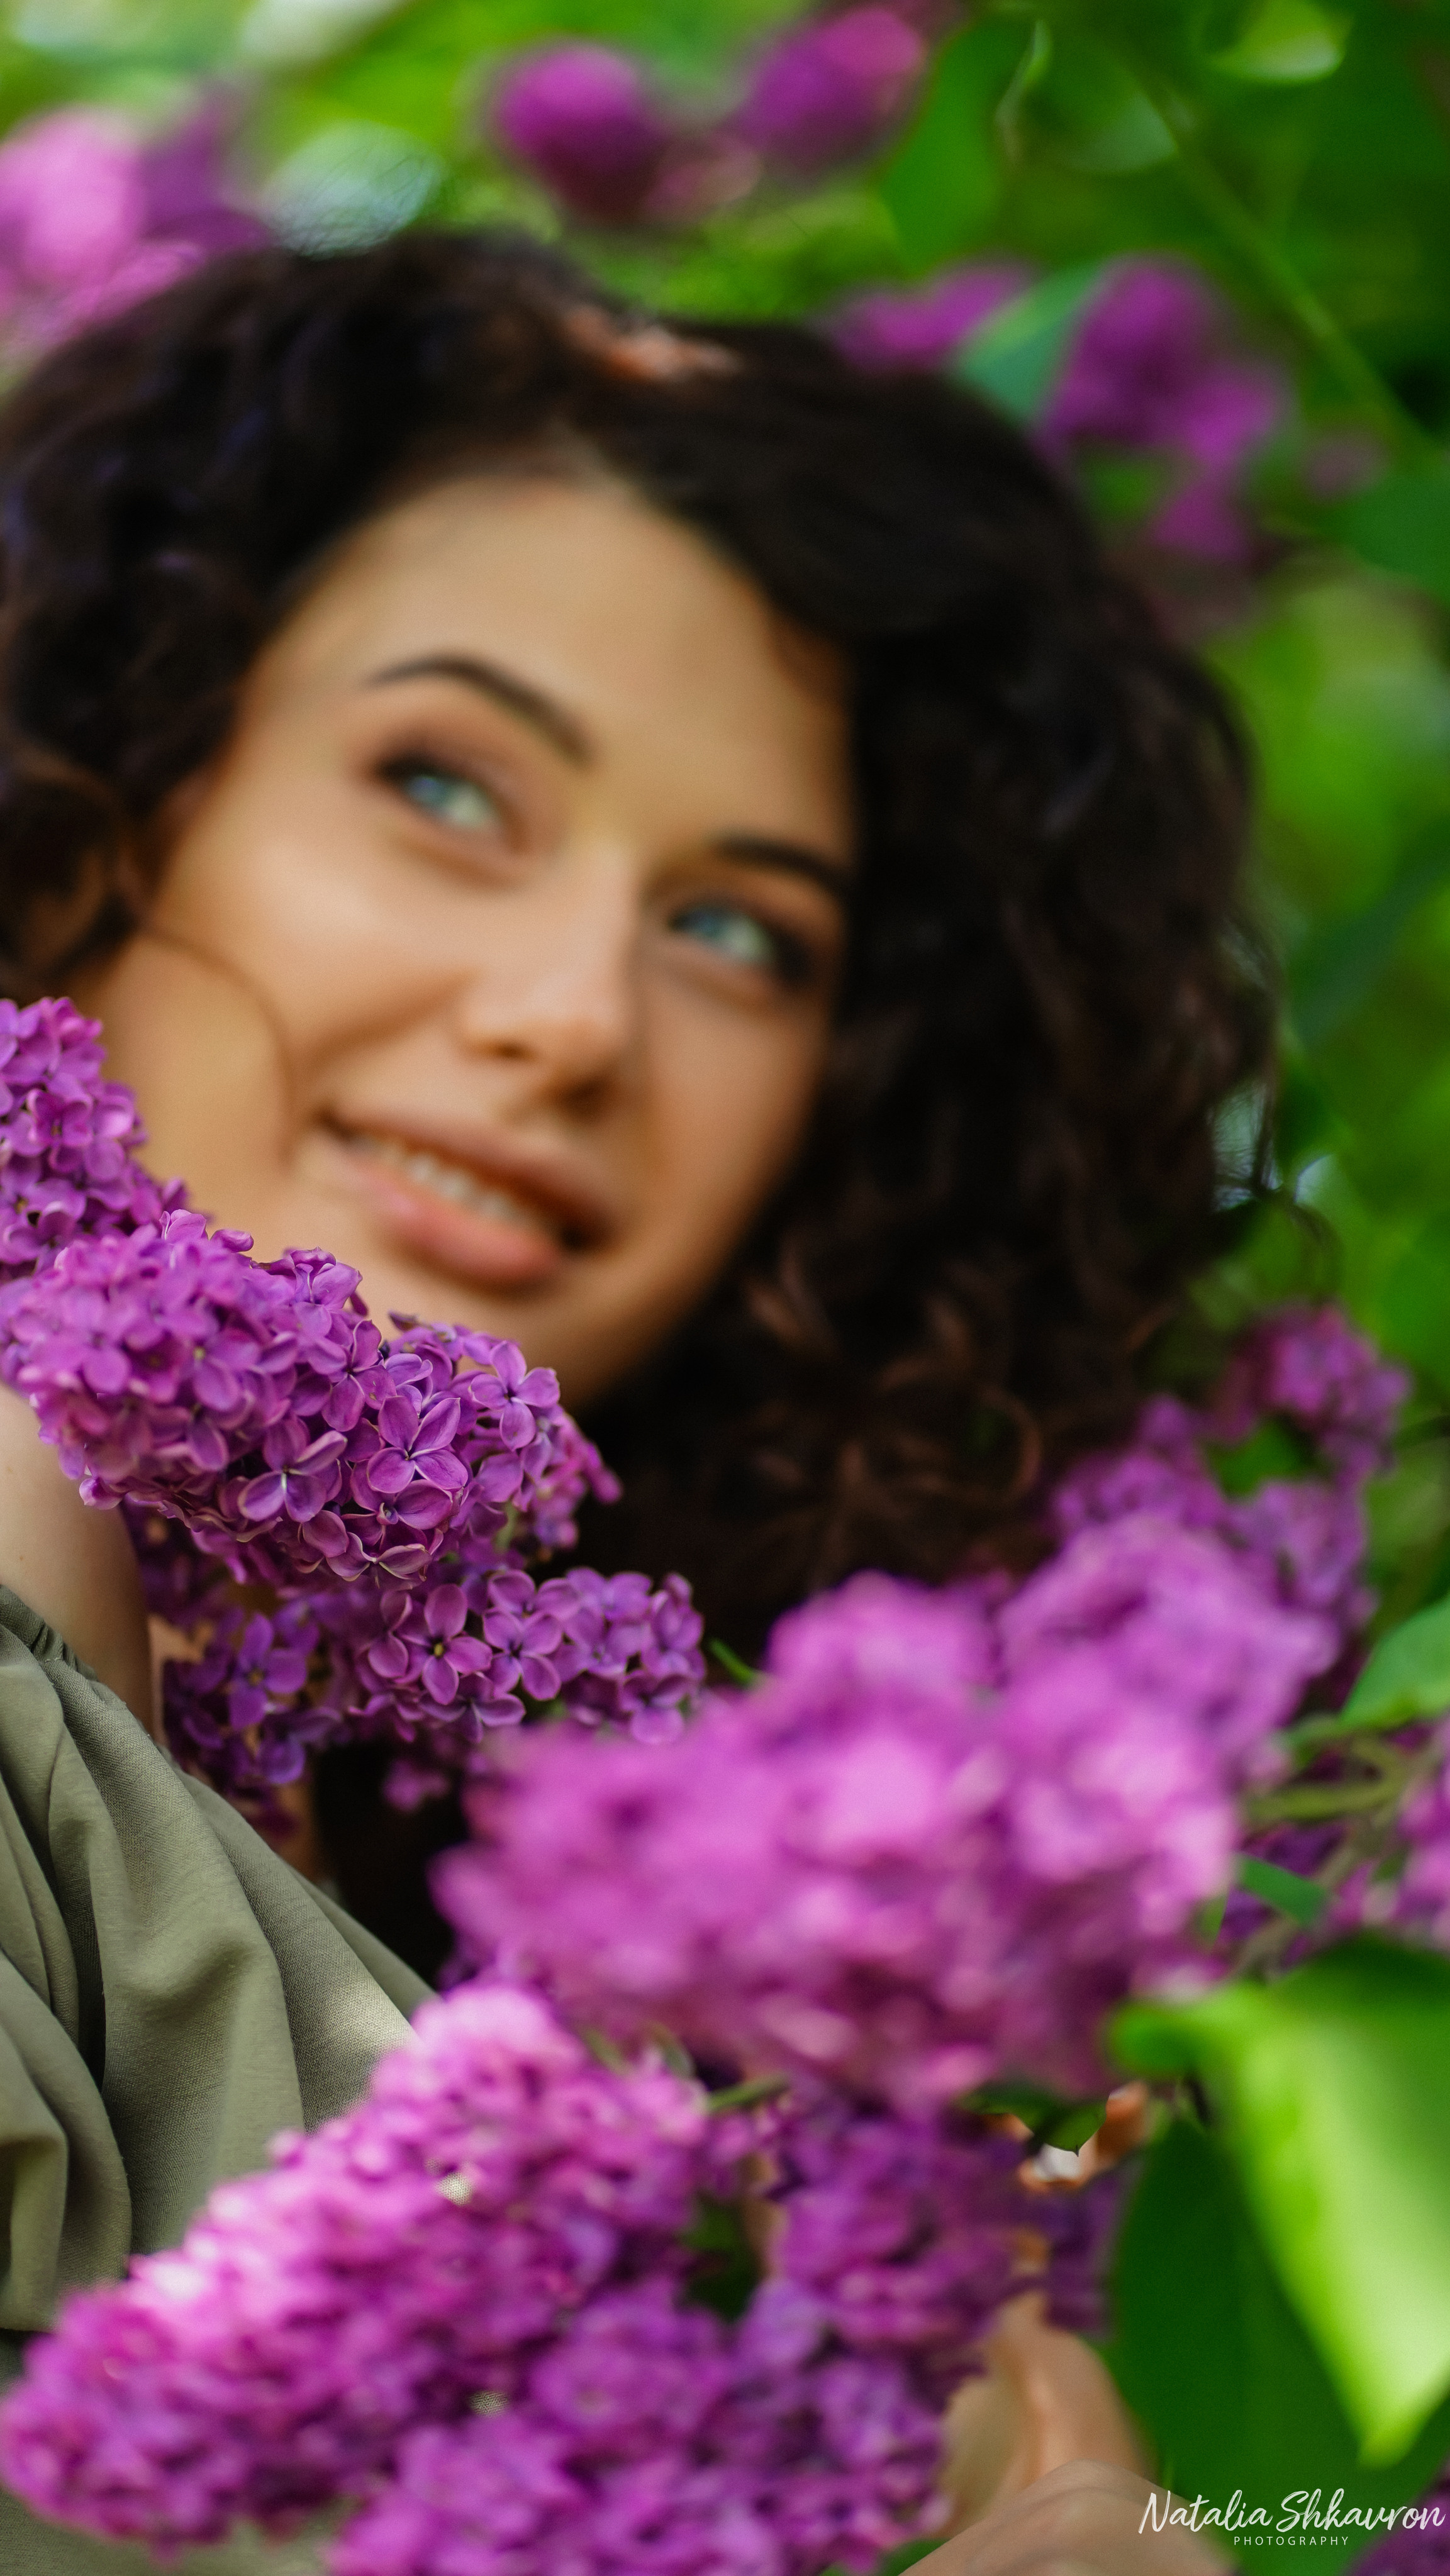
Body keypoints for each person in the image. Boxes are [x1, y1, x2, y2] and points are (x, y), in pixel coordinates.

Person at [0, 228, 1256, 2568]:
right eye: (446, 784)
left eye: (737, 931)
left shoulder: (775, 2053)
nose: (576, 1017)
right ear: (98, 793)